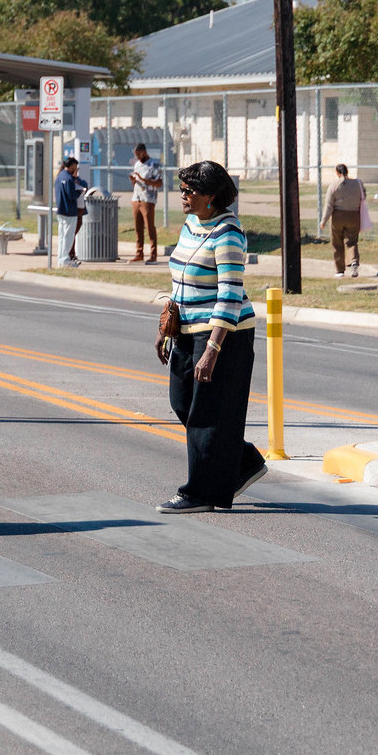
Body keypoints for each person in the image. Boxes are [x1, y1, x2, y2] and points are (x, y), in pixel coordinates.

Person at [153, 160, 265, 513]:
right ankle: (242, 462)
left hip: (224, 334)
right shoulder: (191, 224)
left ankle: (200, 492)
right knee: (183, 402)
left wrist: (213, 349)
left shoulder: (228, 233)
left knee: (207, 413)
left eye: (190, 191)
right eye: (182, 189)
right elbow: (180, 275)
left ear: (212, 196)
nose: (183, 196)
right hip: (186, 329)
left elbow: (230, 294)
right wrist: (166, 323)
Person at [321, 163, 366, 278]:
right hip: (354, 215)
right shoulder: (357, 183)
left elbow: (329, 204)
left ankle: (340, 270)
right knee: (352, 241)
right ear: (347, 172)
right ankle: (354, 261)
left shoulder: (334, 185)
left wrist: (324, 220)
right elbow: (363, 197)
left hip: (338, 216)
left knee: (337, 243)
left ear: (337, 172)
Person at [128, 143, 163, 264]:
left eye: (138, 154)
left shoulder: (154, 164)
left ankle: (153, 255)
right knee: (138, 228)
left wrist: (143, 180)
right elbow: (136, 181)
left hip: (148, 199)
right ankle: (139, 253)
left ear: (144, 152)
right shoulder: (137, 164)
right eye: (135, 155)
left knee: (149, 227)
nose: (137, 157)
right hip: (136, 198)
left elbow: (159, 183)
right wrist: (134, 180)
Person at [53, 156, 87, 267]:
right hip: (70, 211)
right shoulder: (69, 179)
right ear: (72, 166)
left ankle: (61, 259)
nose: (76, 169)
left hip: (61, 210)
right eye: (75, 167)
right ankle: (65, 261)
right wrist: (81, 192)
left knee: (62, 237)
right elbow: (71, 195)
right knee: (68, 237)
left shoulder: (59, 176)